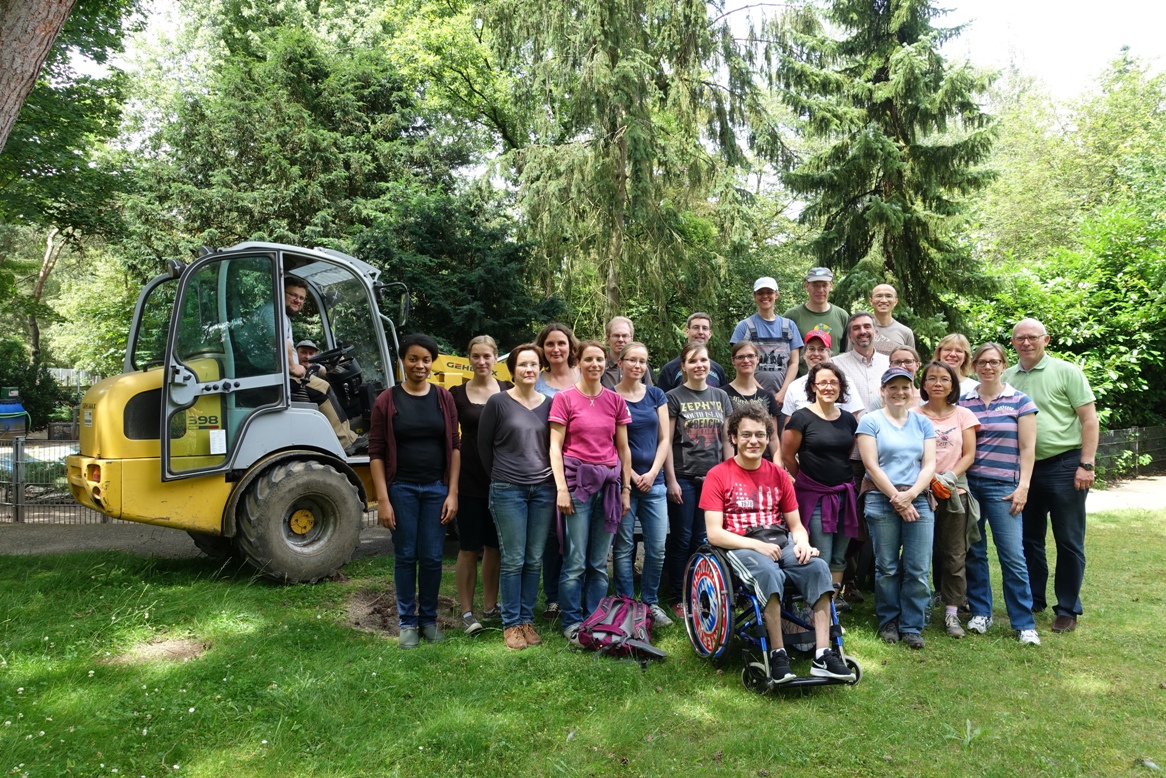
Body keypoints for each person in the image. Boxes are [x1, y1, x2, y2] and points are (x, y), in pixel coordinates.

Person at [700, 404, 856, 683]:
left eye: (760, 435)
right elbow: (714, 533)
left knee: (819, 567)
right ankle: (777, 653)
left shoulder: (779, 474)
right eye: (746, 435)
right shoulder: (718, 475)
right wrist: (756, 546)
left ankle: (822, 654)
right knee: (769, 572)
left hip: (780, 541)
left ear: (767, 438)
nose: (753, 441)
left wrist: (804, 543)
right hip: (739, 545)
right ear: (734, 437)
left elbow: (795, 525)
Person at [1004, 318, 1098, 634]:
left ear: (1046, 339)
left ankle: (1068, 609)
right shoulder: (1007, 377)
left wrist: (1086, 463)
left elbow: (1089, 419)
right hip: (1024, 470)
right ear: (1013, 342)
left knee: (1068, 540)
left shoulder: (1066, 372)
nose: (1026, 343)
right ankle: (1033, 600)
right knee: (1028, 539)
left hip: (1065, 466)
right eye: (1020, 338)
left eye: (1032, 337)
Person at [368, 333, 461, 649]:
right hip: (402, 489)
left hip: (437, 488)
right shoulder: (387, 400)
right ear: (402, 361)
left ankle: (429, 621)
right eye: (413, 359)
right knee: (406, 556)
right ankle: (408, 623)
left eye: (425, 359)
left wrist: (452, 492)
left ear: (432, 363)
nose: (420, 365)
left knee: (433, 557)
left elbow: (454, 445)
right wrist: (383, 499)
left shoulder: (443, 398)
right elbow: (377, 451)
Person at [549, 340, 633, 644]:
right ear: (578, 363)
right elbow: (554, 448)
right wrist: (561, 489)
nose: (595, 364)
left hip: (609, 487)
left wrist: (625, 490)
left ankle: (595, 618)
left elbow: (623, 449)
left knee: (599, 562)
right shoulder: (565, 398)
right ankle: (572, 621)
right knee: (575, 560)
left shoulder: (615, 400)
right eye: (588, 360)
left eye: (599, 359)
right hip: (577, 486)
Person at [959, 342, 1041, 645]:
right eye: (982, 362)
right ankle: (981, 612)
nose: (988, 367)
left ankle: (1024, 622)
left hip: (1005, 488)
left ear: (1003, 365)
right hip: (970, 487)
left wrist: (1024, 486)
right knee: (974, 552)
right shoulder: (964, 402)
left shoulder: (1020, 401)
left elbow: (1027, 448)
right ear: (974, 366)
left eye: (994, 362)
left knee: (1013, 556)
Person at [479, 344, 556, 650]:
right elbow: (484, 448)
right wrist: (501, 476)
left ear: (540, 369)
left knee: (534, 558)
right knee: (513, 559)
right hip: (508, 490)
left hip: (543, 490)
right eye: (522, 364)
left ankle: (526, 620)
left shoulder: (550, 404)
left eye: (533, 364)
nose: (528, 369)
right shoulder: (497, 403)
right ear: (512, 371)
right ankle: (511, 624)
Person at [856, 367, 936, 649]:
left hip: (919, 499)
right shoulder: (870, 421)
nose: (899, 392)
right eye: (893, 387)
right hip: (880, 497)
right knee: (887, 566)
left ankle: (912, 625)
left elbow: (929, 465)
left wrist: (911, 495)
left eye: (905, 387)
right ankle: (889, 619)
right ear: (883, 391)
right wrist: (896, 498)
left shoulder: (923, 423)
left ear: (913, 390)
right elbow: (871, 466)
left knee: (917, 566)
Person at [663, 342, 734, 617]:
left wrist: (728, 475)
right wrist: (671, 480)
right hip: (684, 477)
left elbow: (727, 440)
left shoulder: (721, 396)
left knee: (704, 538)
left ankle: (701, 589)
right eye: (693, 361)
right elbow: (666, 442)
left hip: (713, 479)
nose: (699, 365)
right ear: (683, 366)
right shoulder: (673, 397)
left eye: (703, 360)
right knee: (682, 538)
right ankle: (678, 595)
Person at [782, 361, 860, 609]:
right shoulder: (801, 418)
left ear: (841, 387)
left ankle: (832, 608)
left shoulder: (848, 419)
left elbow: (847, 453)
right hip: (815, 498)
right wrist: (807, 480)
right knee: (821, 555)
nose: (828, 387)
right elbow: (787, 456)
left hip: (844, 495)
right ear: (813, 387)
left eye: (834, 382)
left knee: (839, 556)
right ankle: (815, 608)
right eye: (823, 382)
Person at [912, 361, 980, 639]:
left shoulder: (964, 415)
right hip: (919, 492)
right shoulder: (912, 414)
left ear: (953, 385)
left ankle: (952, 614)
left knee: (954, 556)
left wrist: (947, 478)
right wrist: (927, 480)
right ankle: (918, 608)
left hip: (954, 494)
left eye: (944, 379)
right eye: (931, 379)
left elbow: (969, 454)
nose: (938, 383)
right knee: (917, 556)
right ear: (924, 385)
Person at [449, 336, 511, 636]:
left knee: (494, 547)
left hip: (503, 480)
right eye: (476, 356)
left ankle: (490, 606)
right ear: (469, 358)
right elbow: (451, 440)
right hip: (469, 480)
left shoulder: (509, 392)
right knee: (468, 548)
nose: (482, 361)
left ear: (496, 358)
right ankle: (466, 611)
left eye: (487, 356)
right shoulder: (456, 394)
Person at [611, 342, 673, 626]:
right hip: (623, 484)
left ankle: (650, 602)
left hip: (655, 484)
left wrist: (651, 473)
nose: (638, 366)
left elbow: (664, 439)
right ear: (620, 362)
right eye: (632, 360)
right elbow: (609, 442)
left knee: (657, 547)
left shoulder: (656, 395)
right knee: (623, 547)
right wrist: (633, 475)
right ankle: (625, 603)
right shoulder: (610, 397)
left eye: (643, 361)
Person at [533, 322, 580, 621]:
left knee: (580, 535)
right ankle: (553, 597)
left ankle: (578, 592)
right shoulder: (535, 381)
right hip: (546, 465)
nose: (556, 349)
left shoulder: (584, 376)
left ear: (570, 346)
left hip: (583, 468)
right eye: (549, 344)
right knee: (553, 535)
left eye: (561, 343)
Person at [283, 277, 357, 450]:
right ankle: (345, 441)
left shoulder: (283, 317)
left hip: (286, 374)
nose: (298, 300)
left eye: (301, 298)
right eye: (293, 295)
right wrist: (293, 367)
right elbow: (282, 342)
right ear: (282, 293)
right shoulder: (277, 315)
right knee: (323, 387)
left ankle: (349, 435)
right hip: (287, 377)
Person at [730, 277, 803, 408]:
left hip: (784, 399)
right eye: (760, 293)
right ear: (754, 296)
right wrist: (761, 393)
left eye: (769, 292)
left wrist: (783, 392)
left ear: (777, 295)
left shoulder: (789, 326)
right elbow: (739, 362)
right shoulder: (744, 327)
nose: (765, 296)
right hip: (750, 398)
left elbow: (794, 362)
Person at [781, 330, 865, 421]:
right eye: (811, 349)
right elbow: (788, 426)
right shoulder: (795, 386)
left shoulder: (845, 382)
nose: (816, 354)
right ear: (804, 354)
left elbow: (852, 421)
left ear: (829, 354)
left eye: (821, 349)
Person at [784, 267, 850, 372]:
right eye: (815, 285)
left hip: (832, 382)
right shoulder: (792, 316)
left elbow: (846, 352)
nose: (820, 290)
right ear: (807, 286)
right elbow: (784, 353)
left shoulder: (842, 316)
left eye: (824, 285)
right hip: (800, 382)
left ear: (831, 286)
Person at [724, 340, 781, 460]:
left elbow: (773, 438)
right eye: (740, 357)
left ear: (757, 359)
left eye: (750, 356)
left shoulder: (767, 396)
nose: (746, 360)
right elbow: (725, 438)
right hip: (736, 462)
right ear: (733, 361)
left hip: (764, 463)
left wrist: (778, 469)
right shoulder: (722, 394)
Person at [656, 312, 729, 392]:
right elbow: (662, 402)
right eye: (696, 327)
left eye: (705, 328)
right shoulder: (670, 369)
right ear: (687, 331)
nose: (700, 332)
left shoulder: (718, 370)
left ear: (710, 334)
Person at [832, 312, 889, 412]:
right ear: (849, 337)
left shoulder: (889, 363)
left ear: (876, 333)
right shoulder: (835, 365)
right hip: (850, 426)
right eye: (856, 328)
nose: (862, 331)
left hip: (885, 425)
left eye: (867, 326)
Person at [601, 316, 655, 388]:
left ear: (631, 339)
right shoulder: (600, 366)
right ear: (607, 339)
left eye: (625, 336)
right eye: (616, 335)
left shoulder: (640, 367)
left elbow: (650, 395)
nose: (620, 340)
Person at [867, 284, 916, 357]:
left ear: (895, 301)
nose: (883, 300)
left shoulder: (905, 332)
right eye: (879, 296)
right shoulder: (860, 330)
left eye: (888, 296)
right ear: (871, 301)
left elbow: (911, 363)